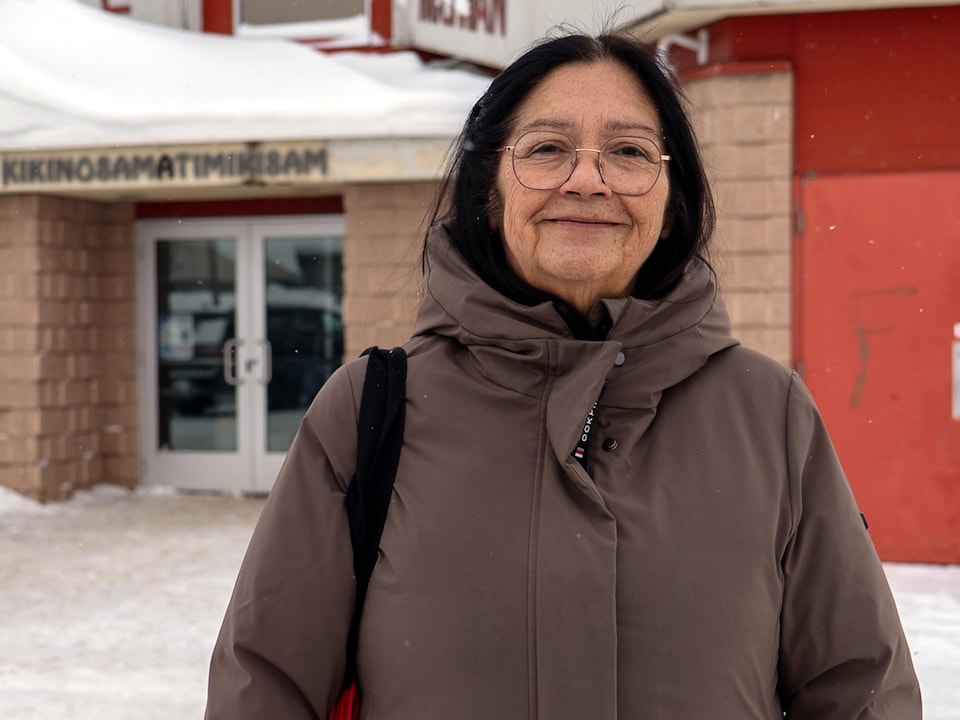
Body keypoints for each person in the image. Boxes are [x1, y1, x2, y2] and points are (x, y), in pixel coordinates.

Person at [205, 31, 921, 719]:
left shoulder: (768, 413)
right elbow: (264, 687)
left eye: (629, 151)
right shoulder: (369, 411)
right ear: (489, 192)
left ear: (671, 202)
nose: (587, 180)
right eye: (547, 148)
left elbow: (860, 691)